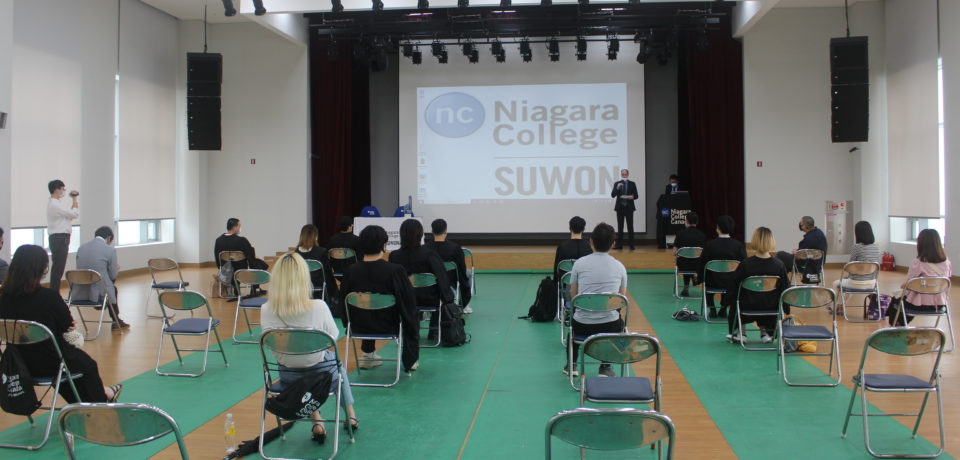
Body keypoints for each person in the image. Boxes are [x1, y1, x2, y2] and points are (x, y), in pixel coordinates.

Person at [0, 245, 122, 403]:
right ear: (43, 269)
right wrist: (67, 324)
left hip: (19, 363)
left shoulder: (3, 299)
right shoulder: (49, 297)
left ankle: (98, 396)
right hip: (51, 359)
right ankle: (101, 400)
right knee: (87, 365)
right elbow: (67, 324)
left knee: (72, 367)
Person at [260, 253, 359, 443]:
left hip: (287, 377)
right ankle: (351, 415)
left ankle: (317, 422)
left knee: (305, 365)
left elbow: (269, 342)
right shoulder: (318, 306)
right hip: (321, 376)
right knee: (336, 364)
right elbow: (333, 337)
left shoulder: (266, 309)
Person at [339, 225, 419, 372]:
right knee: (410, 313)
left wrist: (347, 322)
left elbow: (343, 301)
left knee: (366, 308)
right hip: (390, 325)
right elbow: (408, 302)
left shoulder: (351, 271)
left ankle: (368, 355)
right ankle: (410, 360)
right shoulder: (395, 271)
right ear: (384, 245)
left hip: (358, 325)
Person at [567, 222, 627, 378]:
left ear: (591, 241)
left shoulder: (579, 264)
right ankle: (605, 366)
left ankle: (572, 364)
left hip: (582, 325)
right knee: (618, 321)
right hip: (610, 327)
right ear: (613, 244)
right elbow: (621, 301)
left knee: (572, 329)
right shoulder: (620, 267)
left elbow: (574, 297)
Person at [389, 219, 454, 340]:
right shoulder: (430, 255)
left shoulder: (394, 256)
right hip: (429, 299)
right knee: (445, 292)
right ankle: (433, 329)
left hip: (403, 300)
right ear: (421, 234)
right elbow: (442, 278)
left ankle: (410, 329)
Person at [724, 227, 790, 344]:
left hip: (747, 306)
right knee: (768, 297)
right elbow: (785, 289)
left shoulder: (746, 264)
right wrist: (786, 309)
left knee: (737, 298)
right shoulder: (779, 265)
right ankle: (766, 332)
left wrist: (727, 301)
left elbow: (734, 286)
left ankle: (741, 332)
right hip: (770, 307)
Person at [74, 226, 129, 330]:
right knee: (112, 288)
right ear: (108, 238)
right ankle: (115, 320)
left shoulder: (81, 248)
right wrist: (115, 269)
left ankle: (109, 310)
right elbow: (113, 275)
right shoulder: (110, 250)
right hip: (98, 290)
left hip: (80, 290)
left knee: (107, 282)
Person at [895, 229, 951, 322]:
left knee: (897, 300)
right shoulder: (946, 262)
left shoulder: (918, 262)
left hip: (919, 305)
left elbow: (909, 284)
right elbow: (946, 281)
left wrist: (902, 286)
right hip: (939, 305)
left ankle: (898, 326)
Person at [696, 215, 747, 318]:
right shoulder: (739, 246)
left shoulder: (710, 245)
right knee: (730, 277)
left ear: (717, 228)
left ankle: (712, 309)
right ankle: (724, 308)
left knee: (708, 280)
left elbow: (702, 264)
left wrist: (699, 279)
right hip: (731, 282)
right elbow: (744, 265)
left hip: (713, 281)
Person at [425, 218, 472, 312]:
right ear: (446, 231)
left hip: (429, 286)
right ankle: (463, 305)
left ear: (432, 231)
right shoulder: (455, 248)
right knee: (468, 273)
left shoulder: (425, 249)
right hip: (450, 285)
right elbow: (462, 272)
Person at [832, 221, 882, 300]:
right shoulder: (877, 248)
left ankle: (835, 307)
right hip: (872, 283)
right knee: (849, 280)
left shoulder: (857, 247)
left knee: (836, 283)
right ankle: (842, 306)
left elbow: (850, 266)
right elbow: (878, 266)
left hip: (856, 282)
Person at [47, 179, 79, 292]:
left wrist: (74, 202)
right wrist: (75, 198)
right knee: (58, 269)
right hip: (59, 238)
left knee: (58, 268)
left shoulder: (56, 204)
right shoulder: (55, 205)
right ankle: (54, 293)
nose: (64, 191)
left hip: (59, 238)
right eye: (62, 189)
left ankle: (54, 293)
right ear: (56, 190)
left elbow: (69, 215)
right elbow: (75, 214)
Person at [295, 224, 339, 307]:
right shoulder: (321, 252)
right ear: (315, 237)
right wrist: (335, 292)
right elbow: (328, 274)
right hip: (318, 286)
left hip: (300, 286)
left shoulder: (295, 254)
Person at [776, 216, 828, 284]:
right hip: (818, 264)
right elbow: (807, 250)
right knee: (783, 264)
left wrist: (796, 252)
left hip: (805, 264)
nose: (800, 225)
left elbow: (800, 256)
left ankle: (783, 283)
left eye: (801, 224)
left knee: (780, 255)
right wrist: (798, 251)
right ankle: (785, 282)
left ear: (806, 226)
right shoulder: (819, 233)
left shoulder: (808, 238)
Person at [673, 212, 706, 296]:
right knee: (692, 260)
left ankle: (686, 287)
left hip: (683, 264)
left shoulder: (680, 233)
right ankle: (693, 277)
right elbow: (704, 252)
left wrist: (676, 256)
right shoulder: (702, 235)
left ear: (686, 221)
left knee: (684, 260)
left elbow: (675, 251)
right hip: (697, 265)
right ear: (697, 222)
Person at [553, 216, 592, 280]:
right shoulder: (589, 247)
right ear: (584, 229)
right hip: (584, 284)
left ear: (569, 228)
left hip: (566, 284)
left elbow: (556, 269)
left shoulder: (562, 247)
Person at [610, 168, 639, 250]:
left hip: (629, 207)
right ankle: (619, 245)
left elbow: (636, 196)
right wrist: (617, 188)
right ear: (621, 175)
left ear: (628, 175)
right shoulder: (617, 183)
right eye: (622, 175)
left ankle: (632, 245)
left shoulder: (632, 184)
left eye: (625, 174)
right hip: (620, 208)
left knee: (630, 226)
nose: (624, 176)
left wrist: (630, 197)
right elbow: (612, 195)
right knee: (620, 227)